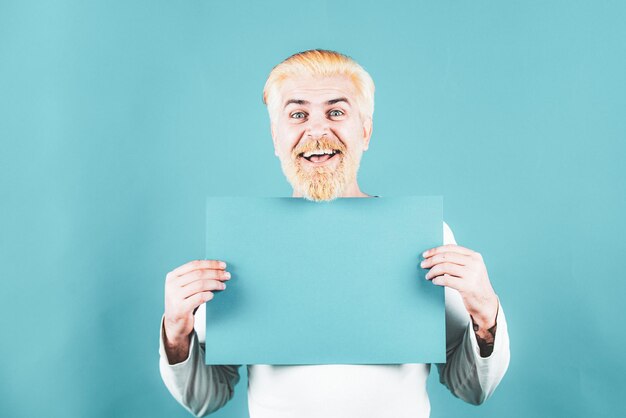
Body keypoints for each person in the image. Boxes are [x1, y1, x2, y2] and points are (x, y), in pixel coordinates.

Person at [158, 49, 510, 418]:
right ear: (276, 138)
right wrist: (177, 332)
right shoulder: (241, 241)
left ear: (365, 131)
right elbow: (206, 398)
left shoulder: (424, 235)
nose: (317, 130)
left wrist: (486, 316)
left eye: (336, 112)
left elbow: (469, 388)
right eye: (297, 114)